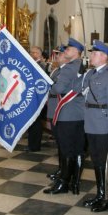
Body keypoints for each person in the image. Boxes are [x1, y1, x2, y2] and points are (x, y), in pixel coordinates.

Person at [77, 40, 108, 212]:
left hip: (104, 125)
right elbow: (80, 93)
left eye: (94, 53)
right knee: (96, 161)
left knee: (105, 163)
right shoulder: (90, 75)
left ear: (104, 57)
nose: (91, 56)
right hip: (91, 124)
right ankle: (100, 193)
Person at [43, 38, 85, 195]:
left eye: (68, 49)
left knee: (67, 150)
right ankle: (73, 181)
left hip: (67, 114)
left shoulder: (68, 68)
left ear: (76, 53)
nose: (65, 51)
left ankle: (64, 183)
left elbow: (58, 88)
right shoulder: (80, 66)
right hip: (77, 114)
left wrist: (49, 86)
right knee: (76, 149)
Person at [46, 46, 67, 181]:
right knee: (58, 143)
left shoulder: (66, 72)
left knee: (63, 142)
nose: (56, 57)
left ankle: (64, 170)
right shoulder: (56, 70)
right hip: (52, 107)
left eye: (59, 55)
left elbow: (58, 88)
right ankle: (60, 168)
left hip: (60, 109)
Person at [27, 46, 46, 151]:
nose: (32, 54)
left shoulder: (42, 65)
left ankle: (35, 146)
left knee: (36, 122)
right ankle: (31, 144)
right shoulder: (31, 64)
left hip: (38, 98)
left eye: (35, 52)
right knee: (31, 122)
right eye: (31, 52)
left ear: (39, 54)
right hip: (31, 97)